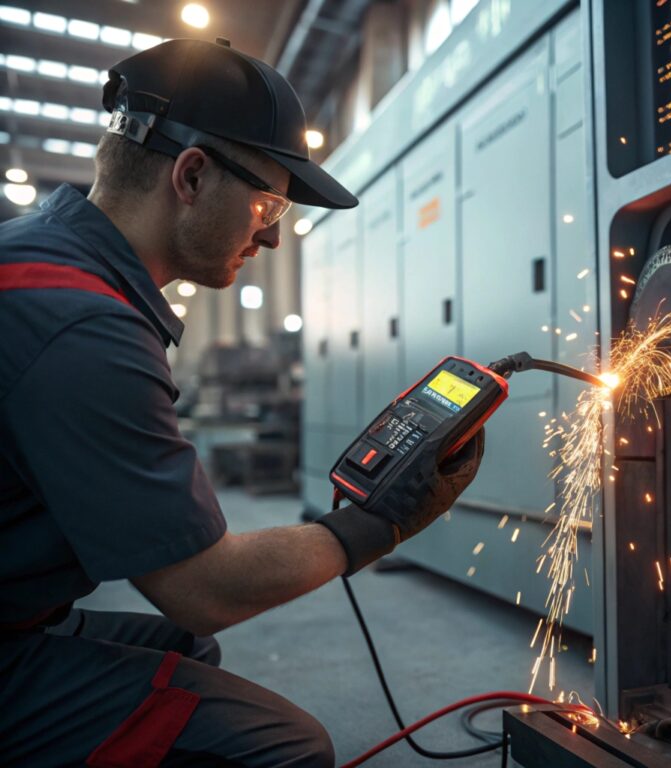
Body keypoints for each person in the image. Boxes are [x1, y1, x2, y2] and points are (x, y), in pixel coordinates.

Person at [0, 38, 484, 767]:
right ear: (191, 177)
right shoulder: (82, 323)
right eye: (267, 201)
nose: (275, 236)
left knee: (187, 653)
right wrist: (378, 523)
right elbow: (205, 586)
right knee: (286, 747)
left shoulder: (40, 259)